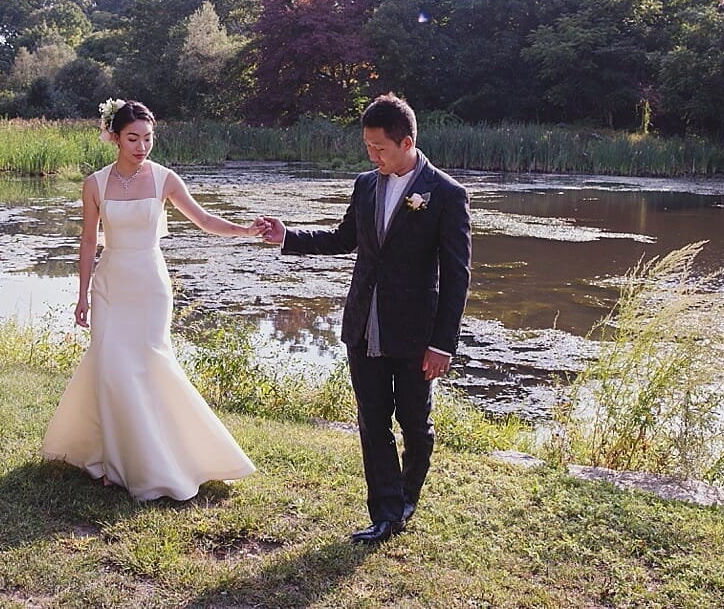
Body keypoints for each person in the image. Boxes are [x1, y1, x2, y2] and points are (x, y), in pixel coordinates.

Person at [260, 93, 471, 544]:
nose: (372, 156)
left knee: (415, 422)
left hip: (416, 333)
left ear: (407, 141)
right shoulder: (366, 184)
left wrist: (443, 344)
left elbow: (457, 277)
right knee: (372, 421)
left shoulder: (447, 195)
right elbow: (343, 239)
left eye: (380, 148)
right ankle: (386, 514)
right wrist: (288, 236)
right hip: (363, 324)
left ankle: (407, 497)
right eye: (367, 147)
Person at [41, 99, 263, 500]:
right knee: (110, 369)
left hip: (150, 285)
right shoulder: (95, 184)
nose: (142, 146)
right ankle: (112, 461)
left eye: (148, 138)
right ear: (114, 136)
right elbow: (89, 241)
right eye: (133, 138)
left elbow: (204, 219)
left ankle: (167, 455)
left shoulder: (165, 179)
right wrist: (82, 296)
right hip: (110, 284)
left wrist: (245, 230)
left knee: (148, 366)